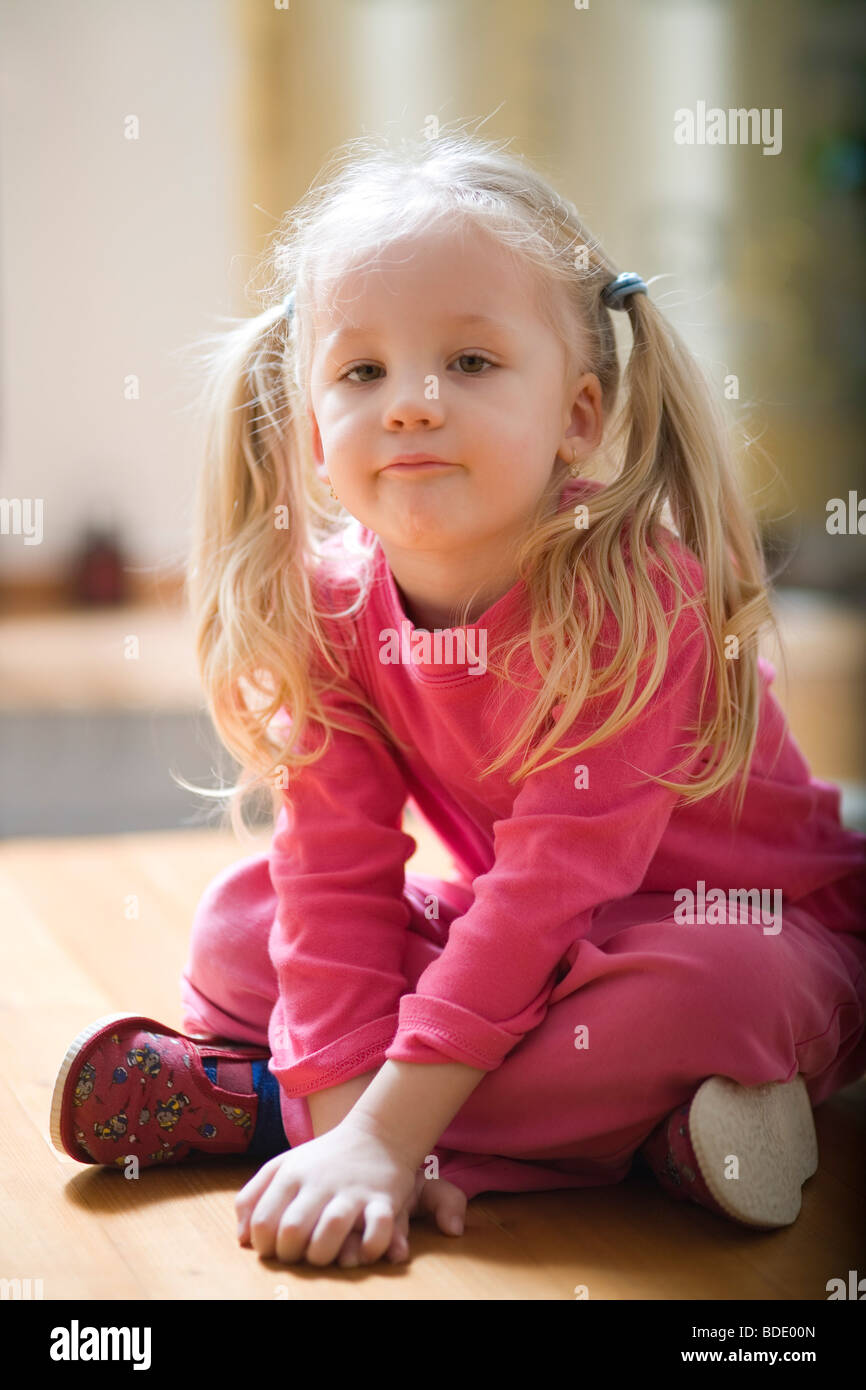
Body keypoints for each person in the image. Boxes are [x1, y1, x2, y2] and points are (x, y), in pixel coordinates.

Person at [50, 129, 866, 1272]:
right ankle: (650, 1136)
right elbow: (334, 871)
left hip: (733, 929)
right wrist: (358, 1138)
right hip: (535, 951)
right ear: (311, 418)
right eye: (362, 371)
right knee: (246, 922)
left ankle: (257, 1112)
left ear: (576, 415)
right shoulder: (334, 603)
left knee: (720, 983)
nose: (413, 405)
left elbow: (542, 901)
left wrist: (380, 1142)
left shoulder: (639, 595)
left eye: (471, 365)